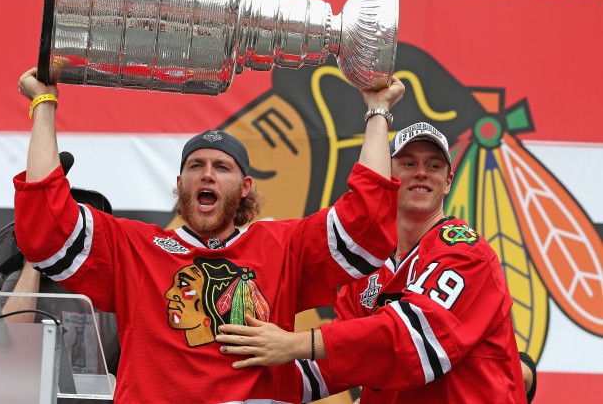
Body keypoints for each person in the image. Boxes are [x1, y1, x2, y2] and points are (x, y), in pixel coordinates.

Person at [14, 65, 405, 403]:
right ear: (180, 182)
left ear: (245, 186)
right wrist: (43, 104)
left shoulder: (282, 246)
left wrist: (377, 110)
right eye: (196, 165)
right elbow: (48, 228)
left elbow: (365, 224)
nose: (207, 173)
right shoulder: (136, 247)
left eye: (222, 167)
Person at [216, 121, 528, 403]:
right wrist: (237, 382)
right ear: (390, 176)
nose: (421, 172)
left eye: (433, 166)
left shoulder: (466, 251)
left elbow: (411, 340)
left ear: (448, 182)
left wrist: (295, 344)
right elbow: (337, 364)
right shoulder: (368, 269)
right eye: (408, 163)